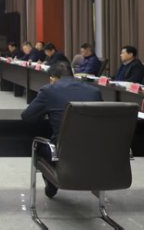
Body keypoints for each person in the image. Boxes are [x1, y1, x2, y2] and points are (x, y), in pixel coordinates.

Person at [21, 62, 102, 198]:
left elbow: (27, 116)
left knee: (39, 146)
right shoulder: (94, 91)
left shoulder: (49, 90)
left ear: (52, 78)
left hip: (61, 154)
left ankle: (52, 184)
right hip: (93, 152)